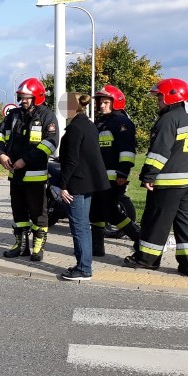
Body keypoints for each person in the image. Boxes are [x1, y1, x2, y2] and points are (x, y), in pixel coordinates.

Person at [125, 78, 188, 277]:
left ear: (170, 97)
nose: (157, 102)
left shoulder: (168, 120)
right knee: (187, 222)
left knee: (156, 222)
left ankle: (147, 260)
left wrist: (148, 175)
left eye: (159, 97)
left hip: (168, 182)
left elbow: (159, 152)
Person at [0, 77, 59, 261]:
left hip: (35, 175)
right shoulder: (13, 115)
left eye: (27, 97)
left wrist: (25, 160)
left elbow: (50, 143)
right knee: (18, 212)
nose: (23, 100)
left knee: (39, 213)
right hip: (16, 174)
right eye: (21, 97)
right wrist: (1, 154)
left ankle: (38, 246)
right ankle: (21, 245)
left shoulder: (46, 116)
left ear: (37, 97)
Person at [58, 95, 109, 280]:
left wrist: (63, 185)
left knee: (79, 226)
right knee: (84, 226)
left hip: (76, 183)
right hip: (88, 181)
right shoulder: (88, 124)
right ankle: (83, 265)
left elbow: (71, 160)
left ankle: (83, 269)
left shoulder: (75, 128)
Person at [89, 85, 140, 256]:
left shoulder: (122, 122)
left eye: (105, 102)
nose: (102, 105)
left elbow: (127, 151)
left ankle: (139, 237)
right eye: (100, 102)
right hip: (98, 177)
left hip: (113, 177)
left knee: (110, 212)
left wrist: (123, 172)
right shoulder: (101, 122)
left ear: (115, 102)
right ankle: (97, 248)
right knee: (95, 211)